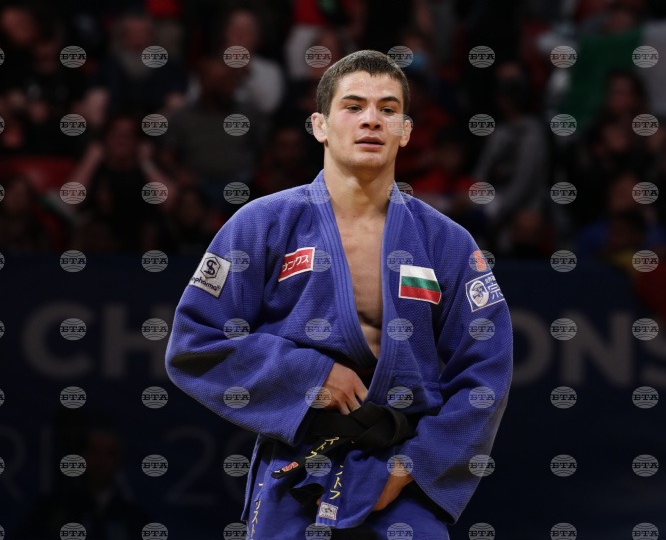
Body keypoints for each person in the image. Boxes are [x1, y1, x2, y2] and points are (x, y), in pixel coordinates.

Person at [164, 50, 513, 539]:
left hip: (401, 465)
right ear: (320, 126)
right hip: (298, 463)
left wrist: (413, 467)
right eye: (353, 106)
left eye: (388, 109)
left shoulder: (447, 243)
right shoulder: (262, 224)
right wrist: (309, 376)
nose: (372, 119)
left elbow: (486, 370)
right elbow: (193, 342)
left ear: (405, 131)